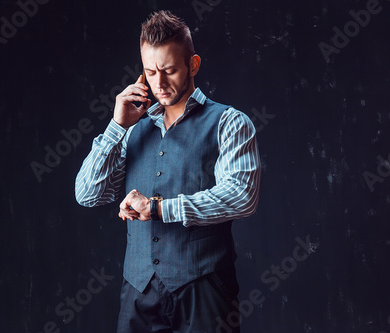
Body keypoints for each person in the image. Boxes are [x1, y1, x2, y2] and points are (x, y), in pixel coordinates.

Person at [75, 10, 261, 333]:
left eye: (170, 70)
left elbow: (241, 196)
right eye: (149, 72)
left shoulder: (230, 123)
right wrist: (115, 126)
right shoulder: (132, 129)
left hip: (205, 289)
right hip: (138, 290)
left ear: (194, 65)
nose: (158, 83)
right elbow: (87, 194)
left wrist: (159, 208)